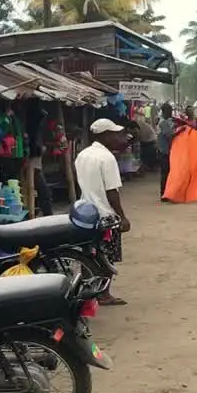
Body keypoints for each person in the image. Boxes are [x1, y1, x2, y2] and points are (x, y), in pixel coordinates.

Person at [75, 118, 133, 306]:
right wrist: (122, 216)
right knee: (107, 257)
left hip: (85, 211)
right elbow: (111, 192)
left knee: (89, 254)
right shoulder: (106, 158)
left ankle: (88, 289)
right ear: (105, 135)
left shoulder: (83, 154)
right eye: (116, 134)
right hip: (105, 215)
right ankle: (104, 293)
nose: (120, 138)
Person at [156, 103, 176, 200]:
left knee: (167, 172)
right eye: (169, 111)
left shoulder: (166, 121)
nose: (171, 113)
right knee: (165, 172)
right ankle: (164, 193)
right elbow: (169, 135)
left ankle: (166, 192)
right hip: (164, 151)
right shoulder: (163, 122)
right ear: (165, 111)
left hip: (165, 150)